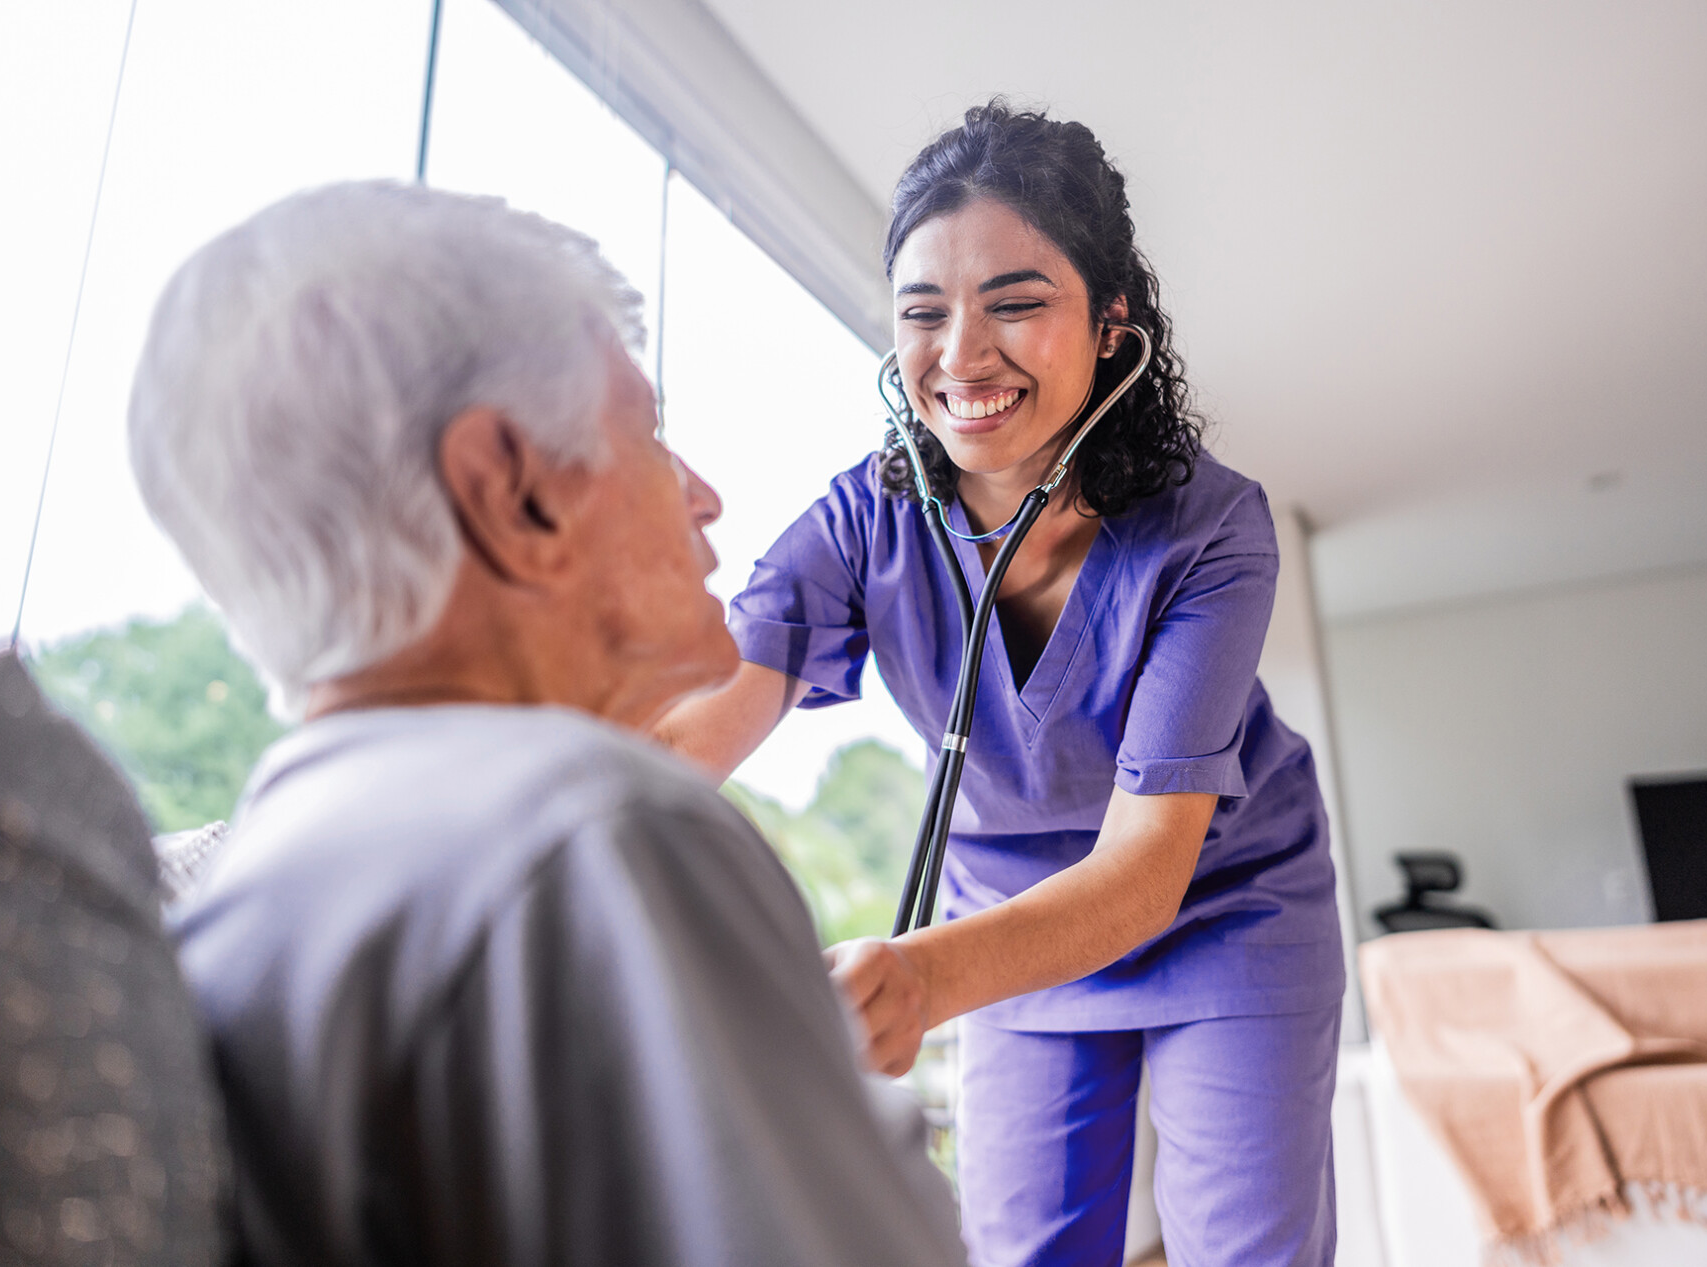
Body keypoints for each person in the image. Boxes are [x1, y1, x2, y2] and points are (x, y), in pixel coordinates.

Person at [127, 180, 966, 1267]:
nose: (705, 495)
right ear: (510, 489)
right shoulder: (596, 834)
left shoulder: (253, 890)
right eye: (650, 432)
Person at [656, 104, 1346, 1267]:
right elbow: (704, 719)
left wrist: (918, 974)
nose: (962, 355)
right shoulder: (860, 521)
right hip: (1007, 924)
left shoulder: (1210, 530)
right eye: (923, 312)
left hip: (1223, 908)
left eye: (1016, 303)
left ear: (1112, 320)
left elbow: (1141, 873)